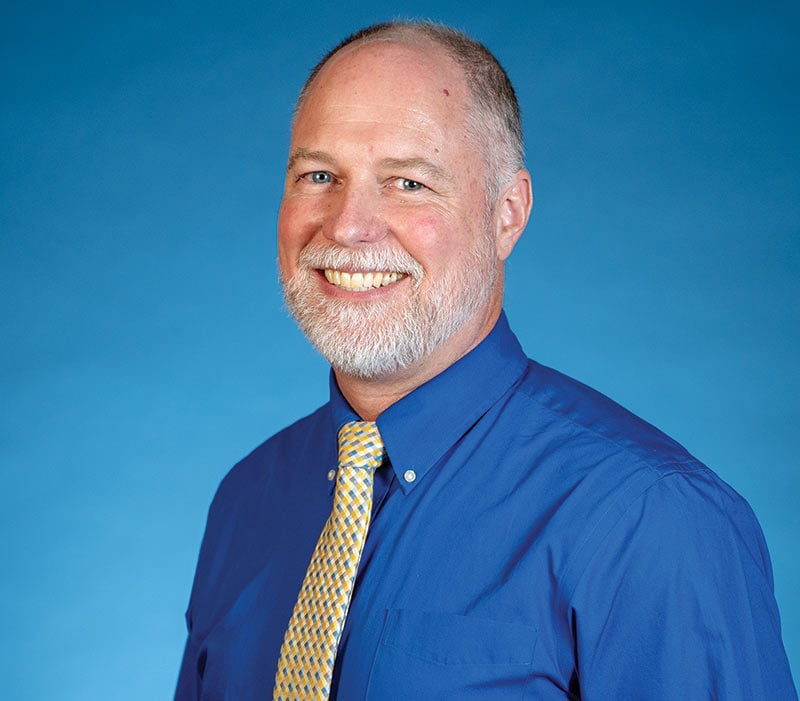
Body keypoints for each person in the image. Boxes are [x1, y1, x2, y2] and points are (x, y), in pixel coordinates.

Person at [175, 21, 797, 700]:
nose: (348, 226)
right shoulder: (247, 500)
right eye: (318, 175)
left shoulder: (652, 521)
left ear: (507, 214)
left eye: (408, 182)